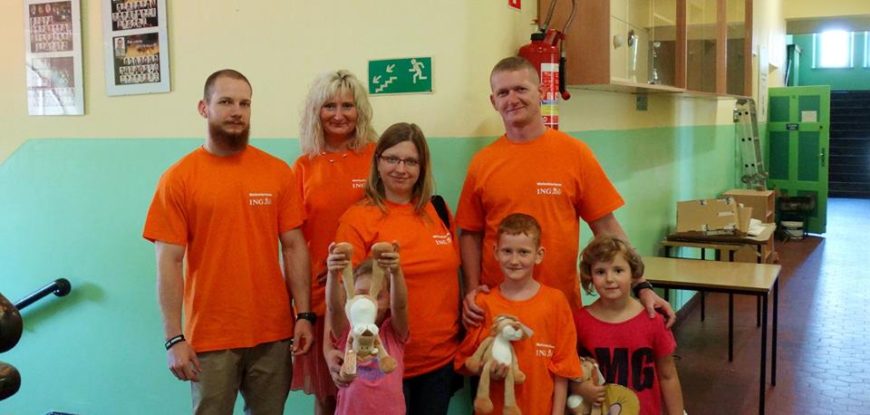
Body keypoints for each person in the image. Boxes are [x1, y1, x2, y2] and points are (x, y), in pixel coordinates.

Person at [455, 56, 675, 327]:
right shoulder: (482, 163)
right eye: (503, 92)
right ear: (493, 101)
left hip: (559, 308)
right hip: (497, 310)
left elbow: (606, 226)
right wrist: (471, 290)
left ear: (541, 92)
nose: (512, 99)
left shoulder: (575, 154)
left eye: (521, 89)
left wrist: (641, 285)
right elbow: (470, 234)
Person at [143, 69, 314, 414]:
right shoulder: (178, 179)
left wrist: (304, 314)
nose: (237, 111)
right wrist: (173, 338)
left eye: (244, 103)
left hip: (273, 334)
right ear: (203, 108)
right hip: (210, 337)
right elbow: (169, 262)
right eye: (225, 102)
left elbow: (294, 246)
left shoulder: (277, 172)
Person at [334, 122, 462, 415]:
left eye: (411, 161)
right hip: (379, 364)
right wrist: (332, 349)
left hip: (439, 361)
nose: (401, 169)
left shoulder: (438, 211)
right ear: (378, 163)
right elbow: (344, 296)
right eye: (392, 159)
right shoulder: (357, 219)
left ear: (422, 167)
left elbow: (455, 276)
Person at [291, 70, 377, 415]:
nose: (339, 115)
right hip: (321, 294)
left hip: (371, 291)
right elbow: (294, 241)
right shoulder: (303, 167)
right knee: (329, 392)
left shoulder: (376, 157)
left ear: (360, 111)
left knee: (372, 386)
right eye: (329, 106)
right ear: (316, 111)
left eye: (347, 106)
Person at [455, 213, 581, 415]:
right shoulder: (483, 303)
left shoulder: (556, 302)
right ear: (495, 252)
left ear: (539, 254)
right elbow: (467, 361)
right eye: (507, 251)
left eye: (523, 252)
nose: (514, 260)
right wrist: (488, 369)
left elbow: (563, 367)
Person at [574, 235, 684, 415]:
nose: (610, 279)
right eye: (600, 272)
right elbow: (570, 370)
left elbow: (668, 375)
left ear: (634, 274)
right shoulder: (580, 321)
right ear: (590, 276)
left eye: (618, 270)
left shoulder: (653, 320)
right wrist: (579, 388)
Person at [325, 250, 409, 415]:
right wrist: (332, 274)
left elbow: (401, 306)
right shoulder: (346, 331)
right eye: (361, 295)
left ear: (389, 300)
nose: (367, 303)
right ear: (349, 301)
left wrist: (396, 272)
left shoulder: (394, 332)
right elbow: (333, 308)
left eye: (378, 296)